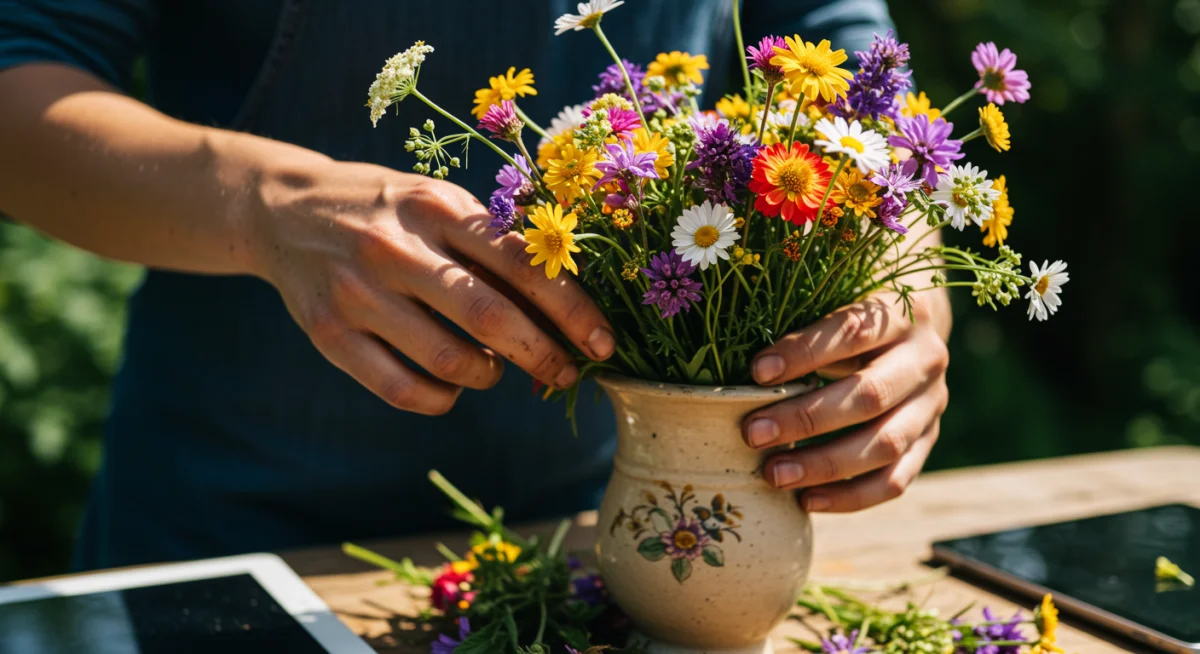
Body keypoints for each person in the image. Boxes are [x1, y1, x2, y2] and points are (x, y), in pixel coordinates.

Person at [0, 0, 950, 572]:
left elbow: (846, 58)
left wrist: (904, 275)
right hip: (234, 534)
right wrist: (264, 206)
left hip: (630, 533)